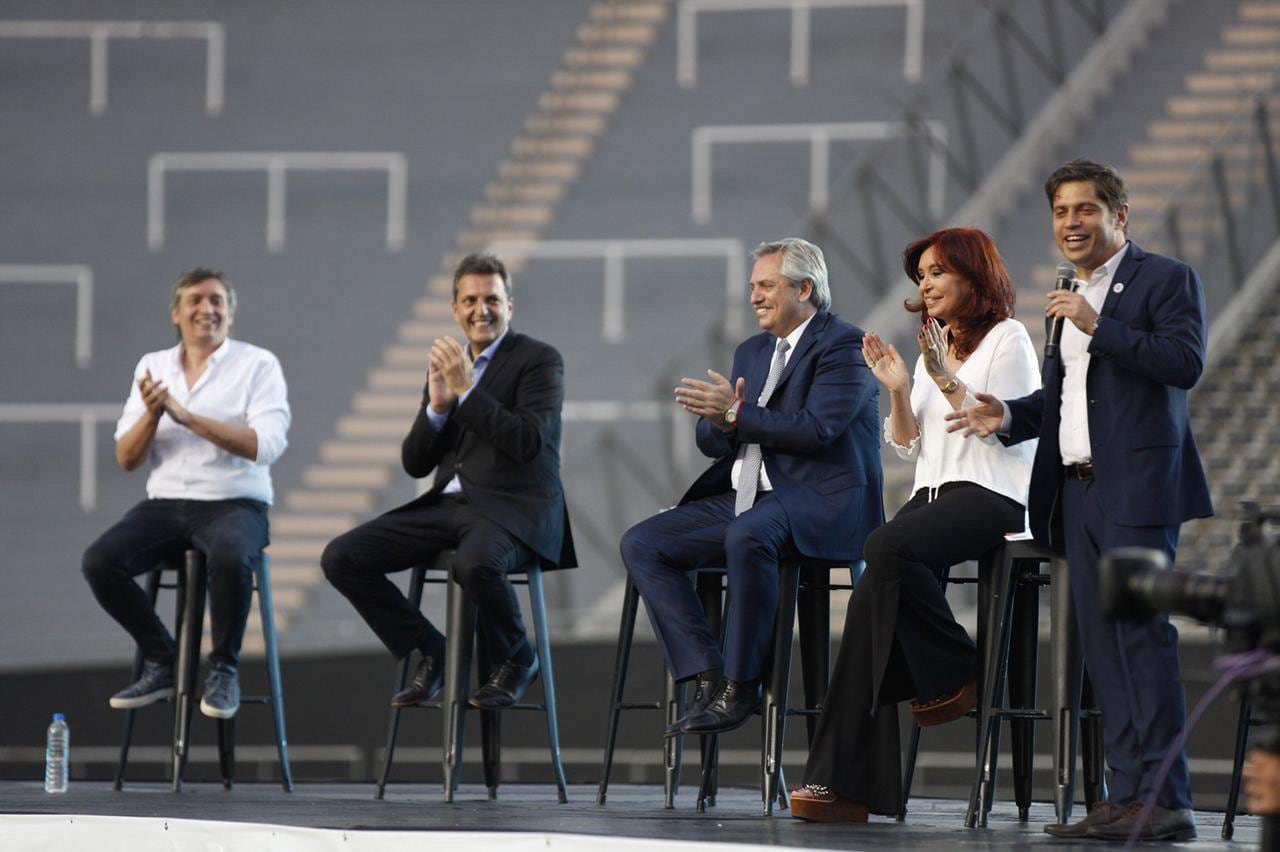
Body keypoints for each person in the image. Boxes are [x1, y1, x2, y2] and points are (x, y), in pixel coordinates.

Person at [946, 159, 1212, 842]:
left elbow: (1183, 362)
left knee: (1142, 643)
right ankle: (1125, 795)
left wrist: (1099, 324)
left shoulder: (1164, 279)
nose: (1071, 222)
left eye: (1086, 209)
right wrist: (1005, 414)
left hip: (1137, 493)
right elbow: (1065, 400)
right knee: (1102, 649)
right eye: (1062, 211)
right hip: (1076, 492)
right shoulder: (1068, 296)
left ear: (1120, 216)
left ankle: (1166, 800)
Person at [788, 227, 1038, 822]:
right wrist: (901, 390)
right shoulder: (934, 346)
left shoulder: (1009, 339)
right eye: (921, 275)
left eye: (937, 272)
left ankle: (958, 669)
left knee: (884, 545)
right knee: (870, 618)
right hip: (932, 494)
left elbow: (993, 423)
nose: (924, 284)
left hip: (993, 494)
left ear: (973, 276)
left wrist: (945, 375)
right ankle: (841, 788)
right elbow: (907, 443)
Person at [620, 237, 884, 737]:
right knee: (643, 541)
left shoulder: (845, 346)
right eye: (752, 287)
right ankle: (709, 672)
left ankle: (743, 686)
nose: (755, 297)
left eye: (767, 285)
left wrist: (738, 413)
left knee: (748, 535)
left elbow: (816, 430)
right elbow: (713, 439)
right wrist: (722, 421)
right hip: (750, 497)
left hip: (821, 501)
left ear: (805, 288)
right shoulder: (751, 351)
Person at [323, 253, 575, 710]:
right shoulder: (449, 363)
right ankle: (431, 651)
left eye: (492, 299)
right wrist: (437, 408)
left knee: (473, 564)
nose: (482, 309)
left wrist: (468, 392)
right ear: (455, 309)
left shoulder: (540, 360)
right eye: (471, 300)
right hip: (450, 507)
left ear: (510, 306)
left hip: (516, 508)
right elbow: (416, 464)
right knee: (342, 557)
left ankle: (517, 658)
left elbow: (526, 442)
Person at [83, 267, 290, 720]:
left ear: (231, 315)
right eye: (195, 300)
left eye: (217, 301)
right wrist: (155, 415)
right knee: (100, 562)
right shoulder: (152, 366)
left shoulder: (258, 364)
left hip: (235, 501)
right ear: (176, 314)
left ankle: (224, 669)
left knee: (233, 555)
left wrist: (187, 416)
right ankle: (164, 659)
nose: (207, 309)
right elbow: (127, 457)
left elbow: (264, 446)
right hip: (167, 502)